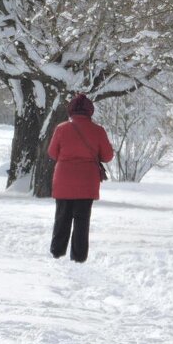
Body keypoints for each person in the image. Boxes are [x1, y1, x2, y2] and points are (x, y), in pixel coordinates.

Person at [47, 93, 114, 262]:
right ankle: (79, 256)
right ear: (90, 111)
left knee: (62, 217)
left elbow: (52, 152)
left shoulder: (61, 129)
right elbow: (107, 156)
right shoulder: (98, 131)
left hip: (63, 181)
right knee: (82, 221)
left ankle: (57, 251)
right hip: (87, 182)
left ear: (71, 110)